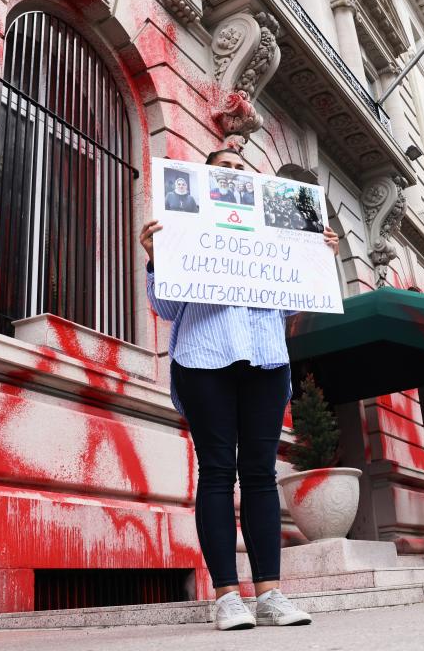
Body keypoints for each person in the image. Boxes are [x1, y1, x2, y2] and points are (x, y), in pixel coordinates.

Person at [140, 148, 340, 631]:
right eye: (222, 167)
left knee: (259, 474)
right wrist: (155, 259)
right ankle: (228, 596)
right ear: (207, 177)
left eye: (239, 168)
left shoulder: (272, 224)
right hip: (204, 357)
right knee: (215, 472)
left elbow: (294, 301)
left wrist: (318, 258)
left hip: (267, 358)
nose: (232, 172)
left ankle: (270, 593)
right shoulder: (181, 222)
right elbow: (167, 309)